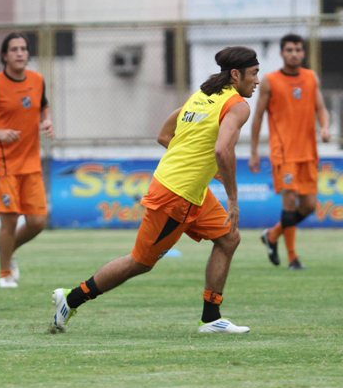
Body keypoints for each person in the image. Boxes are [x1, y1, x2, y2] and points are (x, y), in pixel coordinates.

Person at [48, 46, 260, 334]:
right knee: (139, 263)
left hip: (191, 191)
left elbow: (164, 135)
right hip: (176, 196)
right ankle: (71, 298)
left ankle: (211, 318)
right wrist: (233, 199)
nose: (257, 80)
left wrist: (198, 168)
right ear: (236, 75)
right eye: (254, 73)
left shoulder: (201, 96)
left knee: (228, 239)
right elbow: (223, 150)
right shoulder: (237, 106)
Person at [0, 33, 53, 288]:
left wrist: (46, 120)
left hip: (31, 164)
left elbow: (43, 106)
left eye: (23, 49)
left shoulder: (37, 80)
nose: (20, 53)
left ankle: (7, 248)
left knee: (37, 222)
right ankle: (5, 273)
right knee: (10, 220)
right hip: (3, 166)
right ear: (4, 56)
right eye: (14, 49)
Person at [249, 34, 330, 270]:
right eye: (289, 50)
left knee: (309, 206)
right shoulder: (270, 81)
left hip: (308, 152)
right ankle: (293, 259)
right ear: (281, 53)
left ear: (303, 53)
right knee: (290, 201)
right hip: (283, 153)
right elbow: (258, 116)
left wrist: (325, 127)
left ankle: (272, 235)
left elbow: (321, 108)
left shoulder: (311, 77)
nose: (294, 54)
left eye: (298, 50)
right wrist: (254, 151)